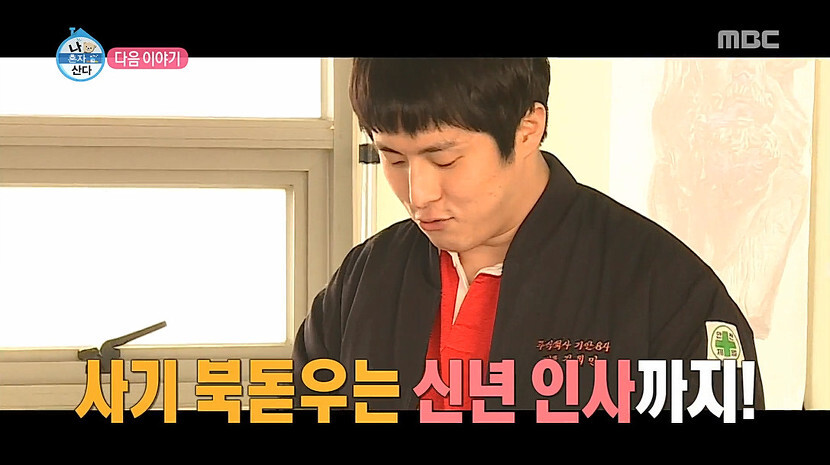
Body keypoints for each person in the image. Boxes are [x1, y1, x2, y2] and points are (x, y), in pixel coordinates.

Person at [292, 58, 764, 413]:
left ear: (527, 129)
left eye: (444, 160)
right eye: (394, 158)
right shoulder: (365, 278)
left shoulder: (665, 289)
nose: (418, 193)